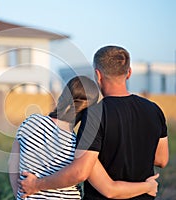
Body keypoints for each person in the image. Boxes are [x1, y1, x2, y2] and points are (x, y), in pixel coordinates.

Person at [18, 46, 169, 199]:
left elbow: (81, 172)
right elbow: (162, 160)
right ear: (129, 73)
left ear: (98, 75)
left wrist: (36, 185)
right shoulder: (154, 110)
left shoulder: (94, 114)